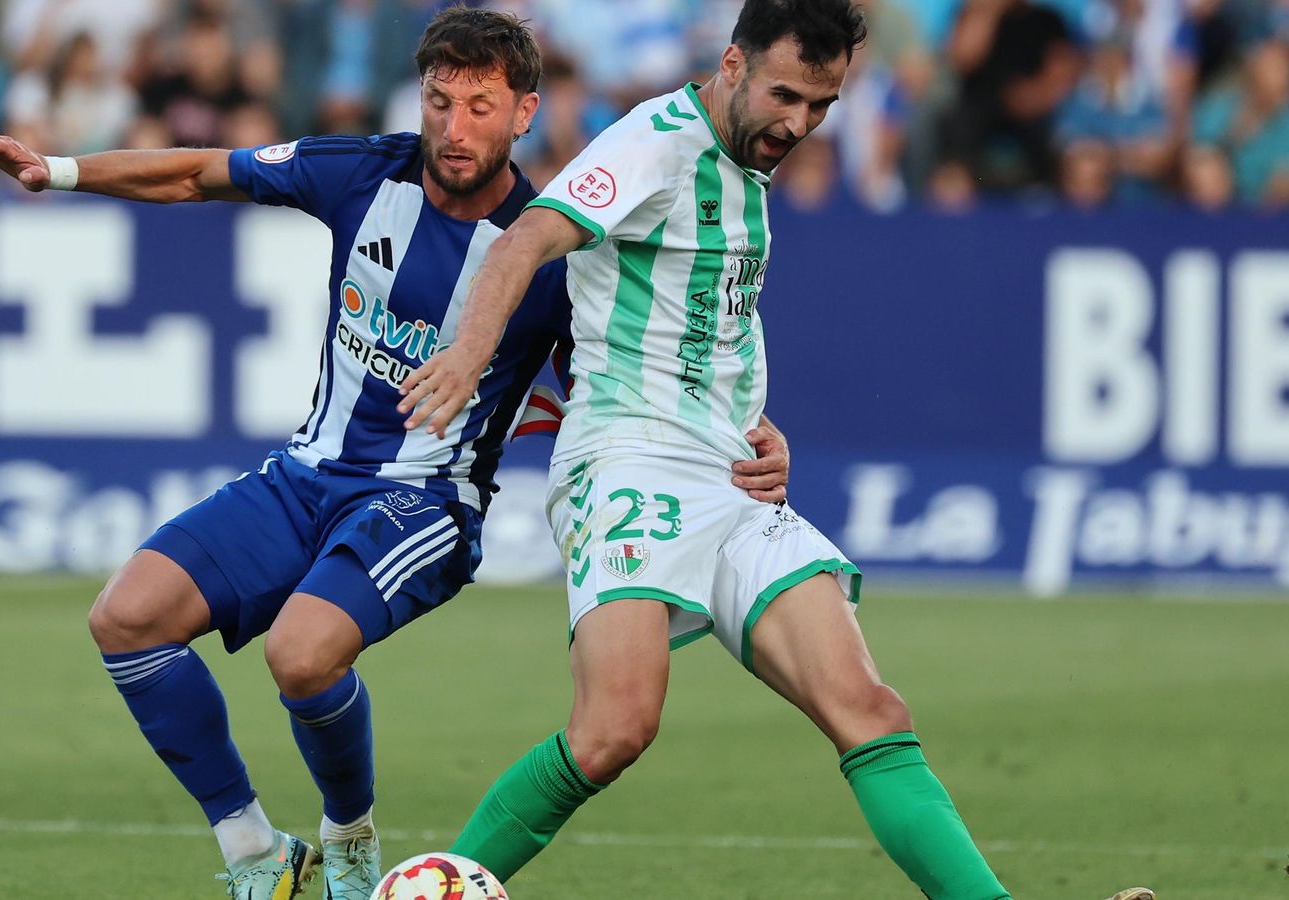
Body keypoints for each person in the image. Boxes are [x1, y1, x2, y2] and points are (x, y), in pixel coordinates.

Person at [0, 7, 790, 899]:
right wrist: (59, 170)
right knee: (126, 619)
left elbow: (626, 390)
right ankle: (255, 854)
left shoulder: (556, 251)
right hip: (307, 474)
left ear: (524, 114)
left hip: (425, 501)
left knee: (302, 654)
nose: (454, 127)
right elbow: (199, 174)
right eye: (439, 101)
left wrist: (744, 436)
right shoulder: (361, 173)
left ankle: (348, 837)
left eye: (479, 106)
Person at [396, 2, 1154, 898]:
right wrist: (469, 355)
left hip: (730, 475)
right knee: (613, 731)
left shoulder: (746, 168)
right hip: (628, 459)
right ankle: (445, 885)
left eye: (823, 105)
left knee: (872, 712)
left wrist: (750, 414)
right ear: (732, 64)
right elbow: (528, 237)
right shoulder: (654, 144)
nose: (799, 123)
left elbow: (714, 317)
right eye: (787, 95)